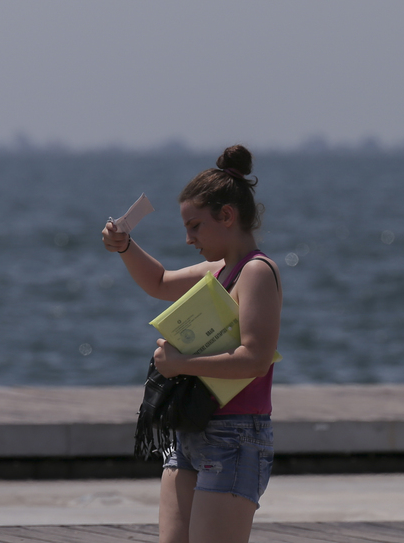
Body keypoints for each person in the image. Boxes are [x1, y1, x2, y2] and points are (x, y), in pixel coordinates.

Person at [102, 145, 281, 543]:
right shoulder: (218, 270)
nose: (188, 239)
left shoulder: (256, 272)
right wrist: (126, 246)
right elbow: (159, 282)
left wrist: (181, 364)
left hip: (235, 435)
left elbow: (256, 359)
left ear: (227, 216)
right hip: (192, 429)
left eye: (196, 226)